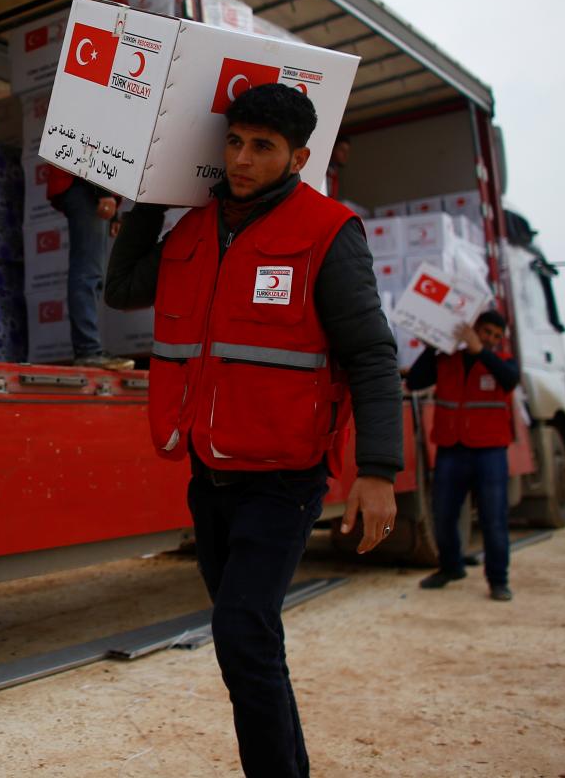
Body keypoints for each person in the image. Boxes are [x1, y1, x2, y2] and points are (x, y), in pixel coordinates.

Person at [106, 83, 402, 778]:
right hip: (209, 477)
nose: (240, 159)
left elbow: (371, 355)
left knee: (240, 631)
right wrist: (149, 198)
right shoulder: (193, 231)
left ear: (298, 156)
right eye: (233, 142)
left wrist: (379, 471)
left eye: (261, 147)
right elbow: (122, 290)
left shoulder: (328, 232)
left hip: (284, 480)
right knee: (253, 643)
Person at [405, 310, 519, 601]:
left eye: (496, 336)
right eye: (486, 332)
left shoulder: (502, 362)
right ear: (473, 328)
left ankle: (498, 580)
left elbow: (509, 381)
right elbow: (415, 382)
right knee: (443, 514)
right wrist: (434, 344)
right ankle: (450, 567)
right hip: (451, 449)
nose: (490, 339)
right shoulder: (447, 358)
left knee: (494, 518)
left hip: (489, 452)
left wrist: (481, 352)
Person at [48, 169, 133, 370]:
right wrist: (102, 192)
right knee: (88, 272)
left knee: (91, 273)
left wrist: (110, 204)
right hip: (85, 185)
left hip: (88, 185)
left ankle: (89, 349)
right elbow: (89, 143)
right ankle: (88, 350)